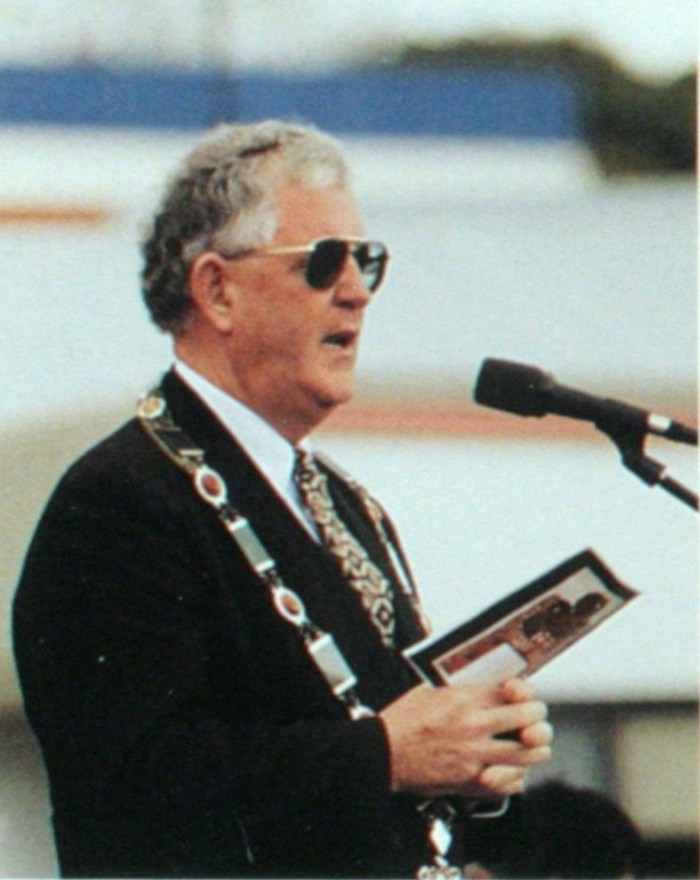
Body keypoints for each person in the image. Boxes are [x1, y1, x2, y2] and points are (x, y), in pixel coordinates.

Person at [12, 120, 553, 879]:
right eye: (324, 262)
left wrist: (472, 759)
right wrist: (387, 756)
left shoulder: (344, 502)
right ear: (217, 290)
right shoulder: (118, 502)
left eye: (368, 261)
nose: (358, 292)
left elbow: (391, 738)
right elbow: (131, 782)